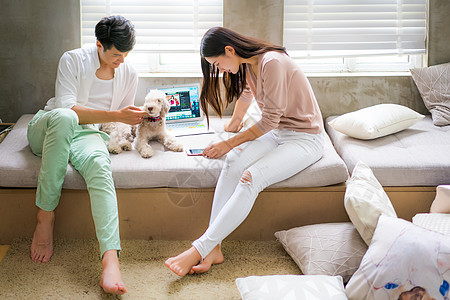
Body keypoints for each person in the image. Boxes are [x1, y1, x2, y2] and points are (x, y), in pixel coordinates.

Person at [165, 27, 325, 276]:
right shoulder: (249, 64)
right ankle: (214, 248)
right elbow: (247, 95)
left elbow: (270, 120)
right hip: (278, 133)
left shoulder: (271, 62)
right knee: (231, 162)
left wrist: (229, 142)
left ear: (230, 50)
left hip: (305, 139)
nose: (220, 69)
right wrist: (232, 124)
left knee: (251, 177)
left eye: (218, 63)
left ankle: (200, 248)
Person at [27, 15, 148, 295]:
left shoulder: (128, 72)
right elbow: (68, 109)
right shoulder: (72, 59)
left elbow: (115, 120)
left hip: (87, 134)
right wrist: (117, 113)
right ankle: (45, 218)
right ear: (98, 45)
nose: (121, 60)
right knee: (66, 118)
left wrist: (132, 121)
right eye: (116, 54)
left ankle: (110, 258)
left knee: (98, 163)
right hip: (50, 126)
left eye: (126, 54)